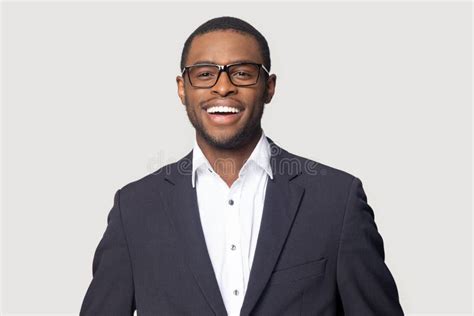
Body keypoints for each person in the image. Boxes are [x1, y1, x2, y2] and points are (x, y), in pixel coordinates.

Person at [80, 16, 404, 316]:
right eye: (205, 73)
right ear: (182, 88)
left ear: (269, 87)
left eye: (243, 73)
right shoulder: (135, 208)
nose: (223, 87)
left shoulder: (336, 201)